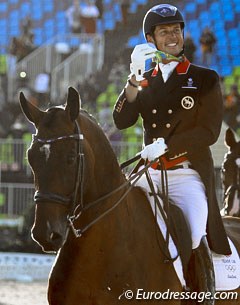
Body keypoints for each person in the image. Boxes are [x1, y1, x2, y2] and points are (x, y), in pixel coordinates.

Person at [113, 3, 231, 301]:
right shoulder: (145, 79)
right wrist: (131, 82)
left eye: (176, 30)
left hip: (187, 174)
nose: (172, 37)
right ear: (150, 39)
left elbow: (208, 132)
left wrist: (165, 145)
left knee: (193, 233)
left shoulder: (205, 78)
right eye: (164, 32)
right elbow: (122, 120)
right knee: (114, 221)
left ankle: (200, 294)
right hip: (148, 175)